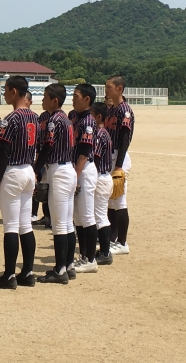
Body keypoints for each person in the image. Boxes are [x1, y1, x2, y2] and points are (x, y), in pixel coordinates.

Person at [0, 76, 40, 289]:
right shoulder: (35, 117)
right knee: (25, 225)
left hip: (13, 171)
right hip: (28, 169)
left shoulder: (11, 118)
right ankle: (27, 272)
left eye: (6, 89)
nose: (4, 94)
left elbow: (4, 153)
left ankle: (9, 275)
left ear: (14, 91)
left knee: (10, 226)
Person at [33, 83, 77, 284]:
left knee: (59, 224)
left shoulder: (53, 120)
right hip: (68, 169)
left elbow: (47, 147)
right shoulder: (66, 119)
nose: (42, 100)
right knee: (67, 223)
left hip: (59, 171)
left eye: (45, 97)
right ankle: (68, 266)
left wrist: (36, 169)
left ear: (55, 100)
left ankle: (60, 270)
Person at [105, 75, 134, 255]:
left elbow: (124, 139)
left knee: (119, 201)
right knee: (111, 200)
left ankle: (122, 242)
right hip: (110, 156)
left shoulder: (124, 110)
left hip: (118, 157)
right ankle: (112, 238)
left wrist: (119, 166)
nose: (106, 90)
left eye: (109, 87)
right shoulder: (112, 110)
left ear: (119, 89)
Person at [71, 84, 98, 274]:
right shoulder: (76, 117)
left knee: (87, 216)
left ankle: (91, 259)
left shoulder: (88, 121)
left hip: (84, 169)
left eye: (76, 96)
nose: (73, 99)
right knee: (78, 218)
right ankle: (83, 256)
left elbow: (84, 151)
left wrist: (76, 176)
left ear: (87, 99)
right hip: (77, 169)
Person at [90, 102, 113, 265]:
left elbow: (96, 158)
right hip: (103, 177)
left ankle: (105, 252)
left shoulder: (99, 134)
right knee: (99, 215)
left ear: (98, 117)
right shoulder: (104, 133)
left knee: (100, 217)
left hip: (100, 177)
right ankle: (104, 250)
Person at [34, 108, 51, 228]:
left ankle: (50, 218)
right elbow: (39, 138)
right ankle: (46, 217)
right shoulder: (42, 116)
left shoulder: (57, 118)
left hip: (53, 160)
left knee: (50, 191)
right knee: (43, 189)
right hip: (42, 157)